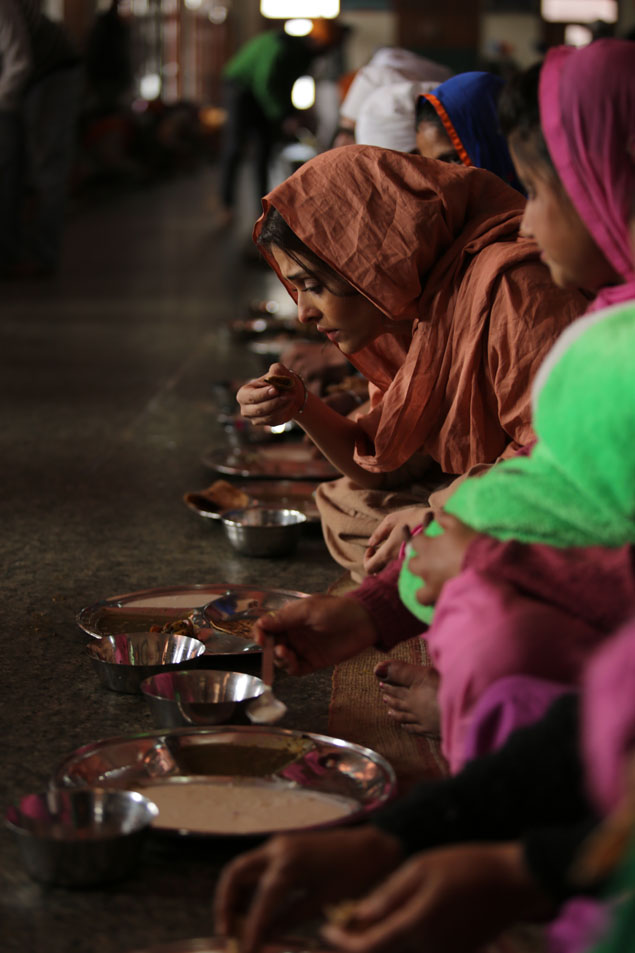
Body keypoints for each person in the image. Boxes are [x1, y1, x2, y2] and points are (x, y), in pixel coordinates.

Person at [237, 145, 586, 579]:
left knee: (391, 534)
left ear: (367, 259)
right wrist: (301, 406)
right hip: (485, 495)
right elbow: (387, 467)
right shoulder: (416, 308)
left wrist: (440, 514)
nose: (304, 312)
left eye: (313, 284)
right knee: (344, 504)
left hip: (556, 506)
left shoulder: (515, 288)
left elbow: (563, 460)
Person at [218, 20, 339, 226]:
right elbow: (265, 82)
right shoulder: (281, 47)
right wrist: (284, 115)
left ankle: (262, 211)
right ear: (317, 40)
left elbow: (285, 87)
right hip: (242, 90)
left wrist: (292, 113)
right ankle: (226, 204)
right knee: (235, 147)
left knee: (265, 150)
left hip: (263, 94)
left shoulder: (306, 57)